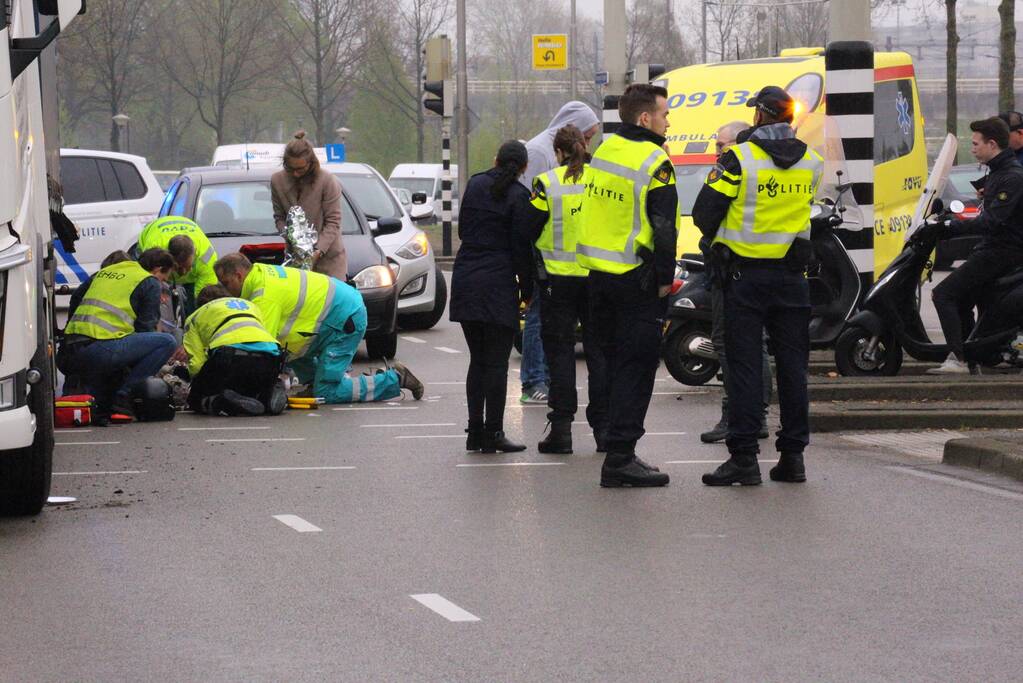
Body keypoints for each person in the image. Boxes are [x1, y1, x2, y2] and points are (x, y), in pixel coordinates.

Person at [692, 85, 823, 486]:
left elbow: (704, 212)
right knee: (793, 370)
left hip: (744, 279)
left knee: (746, 368)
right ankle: (793, 458)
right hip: (791, 279)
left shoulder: (738, 159)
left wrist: (715, 242)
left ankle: (744, 459)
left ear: (761, 116)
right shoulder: (812, 162)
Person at [575, 83, 679, 488]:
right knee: (637, 370)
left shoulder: (606, 152)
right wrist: (664, 283)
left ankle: (613, 445)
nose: (668, 122)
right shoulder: (656, 160)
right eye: (665, 114)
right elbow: (665, 228)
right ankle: (620, 457)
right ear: (645, 118)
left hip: (598, 279)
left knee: (610, 365)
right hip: (636, 280)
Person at [214, 254, 423, 404]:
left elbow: (262, 348)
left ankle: (394, 379)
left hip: (344, 319)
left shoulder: (263, 294)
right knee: (290, 350)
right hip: (336, 315)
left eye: (226, 283)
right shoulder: (260, 275)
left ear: (240, 275)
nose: (224, 289)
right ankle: (317, 382)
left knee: (327, 392)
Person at [521, 124, 608, 454]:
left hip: (557, 282)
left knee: (559, 355)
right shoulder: (601, 183)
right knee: (599, 353)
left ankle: (561, 430)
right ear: (585, 146)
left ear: (558, 153)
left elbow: (529, 228)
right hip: (597, 278)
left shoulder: (546, 184)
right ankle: (603, 429)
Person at [450, 141, 535, 453]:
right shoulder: (519, 196)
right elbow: (521, 249)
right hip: (498, 284)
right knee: (497, 364)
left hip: (466, 279)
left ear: (495, 158)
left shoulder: (474, 184)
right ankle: (494, 433)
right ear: (523, 168)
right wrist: (528, 291)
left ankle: (474, 432)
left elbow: (462, 233)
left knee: (478, 360)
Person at [928, 117, 1023, 374]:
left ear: (992, 144)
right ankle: (971, 358)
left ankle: (957, 358)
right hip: (994, 249)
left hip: (1002, 252)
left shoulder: (1011, 177)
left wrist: (949, 227)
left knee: (943, 294)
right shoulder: (997, 173)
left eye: (975, 143)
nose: (972, 149)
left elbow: (991, 222)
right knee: (962, 298)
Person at [700, 120, 773, 444]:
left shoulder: (735, 171)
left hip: (731, 270)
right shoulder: (762, 172)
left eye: (721, 145)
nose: (717, 152)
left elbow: (707, 216)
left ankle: (737, 414)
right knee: (753, 345)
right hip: (757, 270)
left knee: (729, 343)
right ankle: (754, 415)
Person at [59, 248, 179, 420]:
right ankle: (124, 397)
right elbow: (145, 327)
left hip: (67, 353)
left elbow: (76, 298)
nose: (162, 284)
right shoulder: (149, 281)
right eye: (164, 279)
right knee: (166, 342)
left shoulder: (105, 272)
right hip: (99, 351)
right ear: (157, 270)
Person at [183, 284, 287, 417]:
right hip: (271, 360)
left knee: (196, 399)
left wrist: (200, 385)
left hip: (230, 358)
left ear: (201, 303)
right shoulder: (251, 306)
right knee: (248, 388)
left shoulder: (196, 315)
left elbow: (196, 363)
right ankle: (267, 396)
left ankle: (221, 402)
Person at [271, 131, 347, 281]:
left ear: (311, 163)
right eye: (291, 169)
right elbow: (279, 217)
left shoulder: (327, 181)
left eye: (301, 169)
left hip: (329, 262)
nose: (296, 174)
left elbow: (333, 221)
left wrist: (316, 252)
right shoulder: (277, 180)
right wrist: (292, 237)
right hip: (295, 260)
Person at [137, 215, 219, 313]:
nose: (183, 273)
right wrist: (159, 291)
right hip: (154, 231)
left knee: (195, 305)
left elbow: (205, 299)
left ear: (195, 253)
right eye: (178, 268)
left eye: (187, 267)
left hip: (196, 273)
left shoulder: (207, 258)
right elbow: (147, 280)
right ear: (168, 257)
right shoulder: (153, 251)